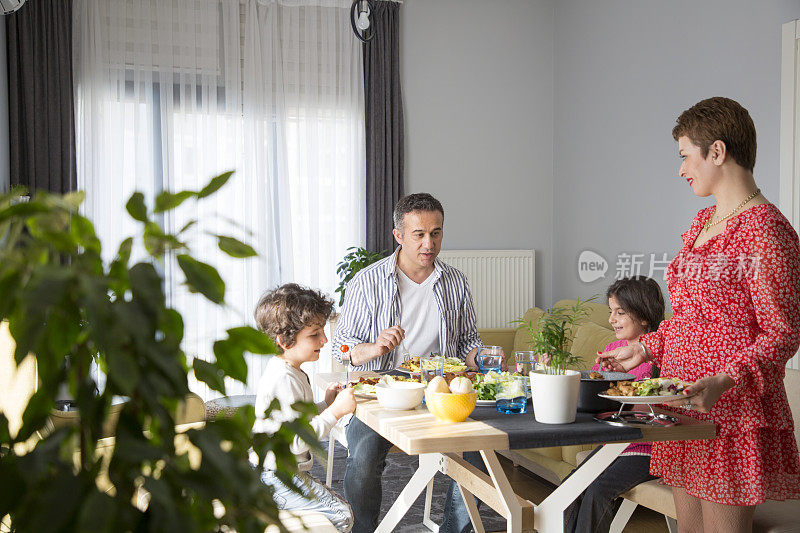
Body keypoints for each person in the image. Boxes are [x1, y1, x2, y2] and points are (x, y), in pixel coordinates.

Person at [598, 97, 800, 533]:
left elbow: (782, 334)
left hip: (730, 411)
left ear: (718, 152)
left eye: (685, 155)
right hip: (683, 407)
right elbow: (694, 320)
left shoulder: (766, 231)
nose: (681, 168)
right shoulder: (702, 223)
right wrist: (645, 346)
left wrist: (725, 380)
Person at [332, 192, 495, 533]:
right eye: (419, 234)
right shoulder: (368, 281)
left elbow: (467, 342)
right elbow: (341, 348)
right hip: (383, 389)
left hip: (442, 388)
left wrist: (480, 356)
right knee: (363, 459)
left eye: (436, 233)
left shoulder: (455, 281)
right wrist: (373, 348)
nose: (429, 243)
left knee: (485, 454)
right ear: (399, 235)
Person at [564, 276, 665, 533]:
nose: (611, 319)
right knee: (568, 490)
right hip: (613, 444)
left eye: (620, 313)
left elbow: (660, 409)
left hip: (647, 449)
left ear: (643, 316)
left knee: (598, 491)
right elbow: (596, 391)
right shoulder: (613, 347)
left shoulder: (662, 356)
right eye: (611, 312)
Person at [251, 284, 356, 532]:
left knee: (339, 507)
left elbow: (298, 420)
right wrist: (336, 412)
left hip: (278, 471)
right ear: (285, 341)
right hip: (276, 475)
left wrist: (326, 404)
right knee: (341, 515)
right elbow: (298, 441)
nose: (325, 339)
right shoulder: (285, 379)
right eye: (315, 334)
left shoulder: (290, 370)